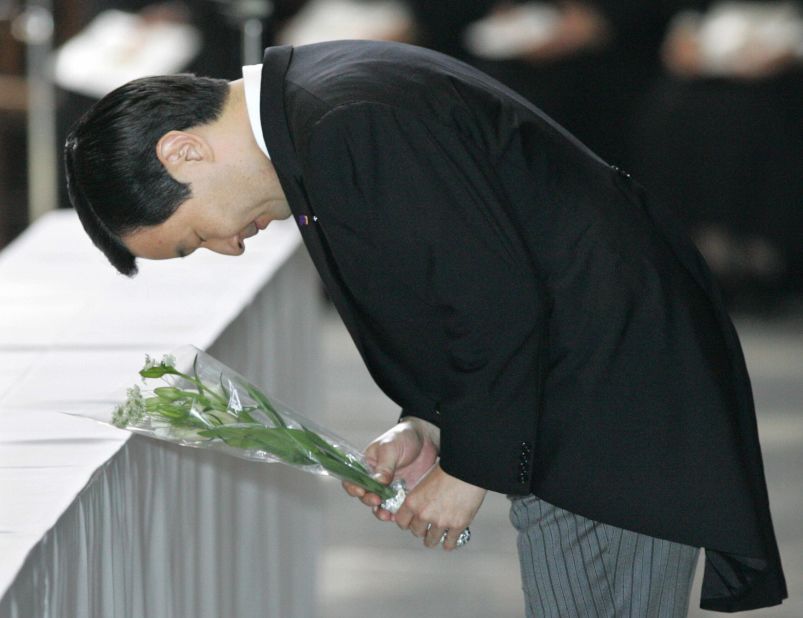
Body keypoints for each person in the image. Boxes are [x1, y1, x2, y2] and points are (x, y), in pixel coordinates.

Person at [64, 40, 786, 615]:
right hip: (595, 378)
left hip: (607, 401)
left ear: (182, 151)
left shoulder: (345, 119)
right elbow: (460, 272)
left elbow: (497, 301)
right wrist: (432, 419)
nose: (230, 247)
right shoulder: (321, 100)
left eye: (194, 237)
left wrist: (469, 468)